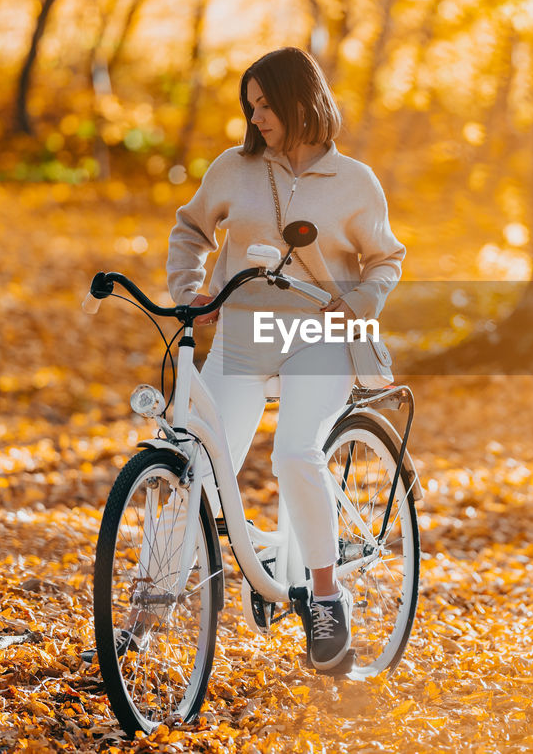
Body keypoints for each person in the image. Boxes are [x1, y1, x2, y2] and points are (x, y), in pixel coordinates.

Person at [165, 47, 406, 670]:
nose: (258, 117)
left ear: (302, 100)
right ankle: (149, 599)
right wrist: (188, 288)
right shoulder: (234, 168)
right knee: (194, 459)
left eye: (267, 103)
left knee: (296, 452)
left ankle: (325, 598)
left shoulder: (355, 182)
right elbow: (191, 229)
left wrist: (361, 302)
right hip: (246, 337)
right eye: (251, 107)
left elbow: (386, 259)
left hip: (320, 338)